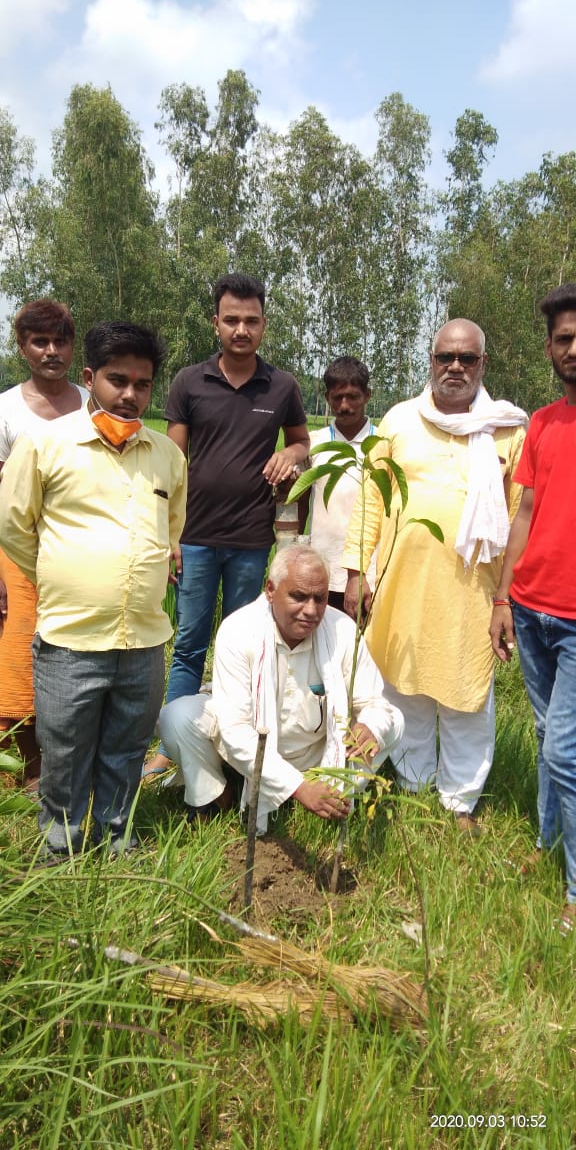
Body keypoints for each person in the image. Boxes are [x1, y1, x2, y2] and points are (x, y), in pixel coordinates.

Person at [0, 321, 187, 857]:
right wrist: (63, 574)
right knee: (63, 748)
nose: (130, 394)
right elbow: (14, 527)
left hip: (143, 640)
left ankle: (117, 836)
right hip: (70, 638)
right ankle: (61, 844)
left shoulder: (166, 456)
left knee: (127, 747)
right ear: (90, 378)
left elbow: (171, 527)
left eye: (143, 383)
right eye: (116, 379)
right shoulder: (44, 446)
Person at [343, 319, 528, 832]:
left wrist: (507, 598)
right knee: (405, 687)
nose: (455, 367)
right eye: (445, 356)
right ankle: (414, 783)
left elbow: (519, 520)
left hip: (474, 591)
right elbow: (371, 500)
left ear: (482, 365)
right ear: (431, 360)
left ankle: (460, 800)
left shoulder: (508, 429)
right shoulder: (400, 420)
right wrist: (357, 572)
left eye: (466, 359)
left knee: (467, 694)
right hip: (402, 583)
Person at [145, 272, 310, 779]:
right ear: (215, 322)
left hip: (250, 540)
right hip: (195, 538)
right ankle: (172, 748)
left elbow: (302, 443)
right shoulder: (190, 382)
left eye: (252, 321)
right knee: (191, 642)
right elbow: (172, 461)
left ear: (264, 325)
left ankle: (234, 744)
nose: (242, 329)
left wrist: (292, 454)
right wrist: (169, 535)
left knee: (242, 645)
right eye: (232, 320)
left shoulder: (281, 386)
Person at [159, 545, 404, 833]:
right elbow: (236, 731)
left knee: (392, 723)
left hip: (318, 756)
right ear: (270, 590)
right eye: (298, 597)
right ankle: (215, 796)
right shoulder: (239, 631)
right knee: (178, 716)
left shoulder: (342, 629)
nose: (311, 610)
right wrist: (298, 788)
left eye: (320, 598)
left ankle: (334, 796)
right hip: (249, 751)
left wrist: (369, 726)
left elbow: (373, 698)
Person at [489, 283, 576, 931]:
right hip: (531, 607)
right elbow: (524, 513)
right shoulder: (542, 425)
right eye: (564, 338)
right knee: (548, 738)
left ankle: (574, 887)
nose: (573, 349)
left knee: (564, 752)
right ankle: (547, 845)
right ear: (549, 348)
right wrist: (502, 595)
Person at [0, 299, 88, 783]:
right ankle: (26, 773)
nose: (51, 351)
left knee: (70, 655)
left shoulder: (89, 404)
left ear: (73, 347)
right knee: (18, 654)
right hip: (19, 553)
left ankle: (68, 767)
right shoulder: (7, 409)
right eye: (40, 342)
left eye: (60, 341)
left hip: (77, 548)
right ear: (22, 347)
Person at [298, 356, 378, 611]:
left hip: (371, 570)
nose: (345, 405)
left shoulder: (382, 444)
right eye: (337, 397)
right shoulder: (314, 443)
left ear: (367, 395)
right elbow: (300, 500)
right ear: (327, 397)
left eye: (353, 396)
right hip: (324, 566)